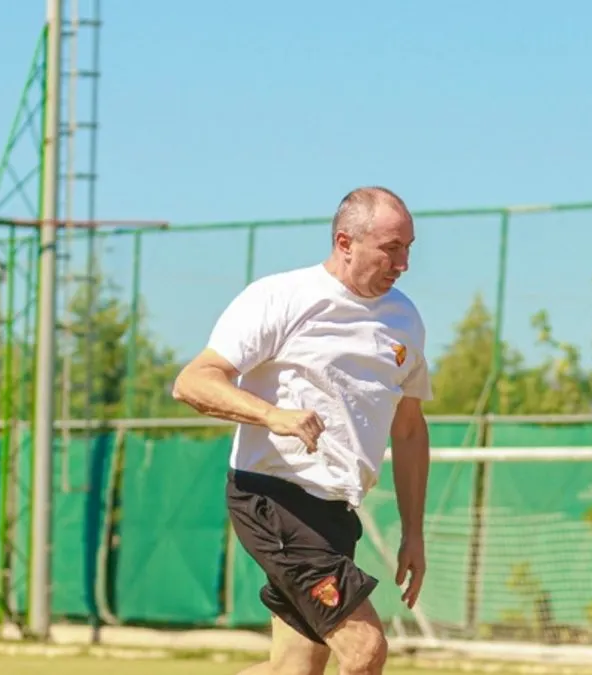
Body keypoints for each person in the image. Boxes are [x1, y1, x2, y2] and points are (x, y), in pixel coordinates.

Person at [171, 186, 431, 675]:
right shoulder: (282, 297)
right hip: (273, 497)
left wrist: (414, 531)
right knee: (365, 649)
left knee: (293, 669)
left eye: (409, 248)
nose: (403, 263)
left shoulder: (405, 320)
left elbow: (411, 430)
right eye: (391, 249)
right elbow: (193, 381)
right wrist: (273, 416)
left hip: (334, 512)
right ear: (345, 241)